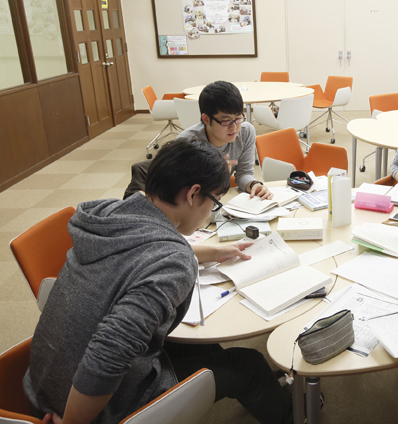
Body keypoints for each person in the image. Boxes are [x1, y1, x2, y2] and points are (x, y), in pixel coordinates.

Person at [24, 139, 293, 424]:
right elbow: (108, 355)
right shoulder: (173, 261)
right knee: (248, 364)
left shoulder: (111, 215)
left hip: (44, 383)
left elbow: (141, 252)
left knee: (199, 345)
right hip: (92, 409)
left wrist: (213, 253)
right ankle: (293, 415)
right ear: (193, 194)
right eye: (214, 203)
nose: (210, 213)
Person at [123, 80, 272, 200]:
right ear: (206, 119)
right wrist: (216, 177)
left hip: (215, 200)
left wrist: (253, 184)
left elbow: (244, 173)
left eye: (238, 118)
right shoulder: (186, 143)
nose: (234, 127)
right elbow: (180, 191)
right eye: (226, 121)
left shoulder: (246, 132)